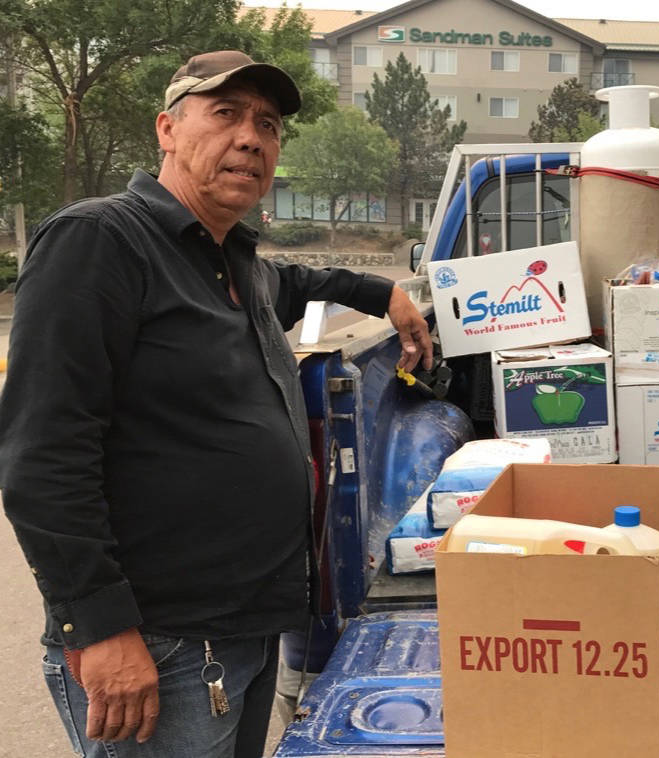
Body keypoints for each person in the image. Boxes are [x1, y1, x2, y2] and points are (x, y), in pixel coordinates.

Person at [0, 50, 432, 757]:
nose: (250, 137)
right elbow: (40, 458)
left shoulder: (230, 260)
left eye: (267, 124)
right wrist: (100, 628)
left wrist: (379, 291)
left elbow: (294, 279)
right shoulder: (101, 242)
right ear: (167, 130)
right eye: (225, 113)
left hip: (245, 627)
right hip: (159, 645)